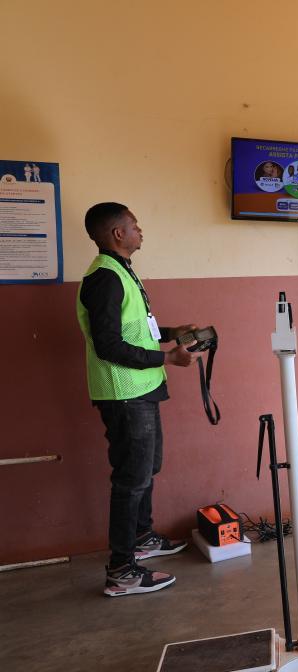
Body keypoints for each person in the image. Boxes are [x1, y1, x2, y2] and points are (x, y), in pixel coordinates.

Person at [76, 202, 201, 597]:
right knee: (131, 480)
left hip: (141, 389)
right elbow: (109, 345)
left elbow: (134, 329)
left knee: (147, 469)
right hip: (124, 394)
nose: (139, 230)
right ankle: (121, 571)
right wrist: (168, 358)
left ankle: (142, 537)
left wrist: (171, 332)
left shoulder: (121, 270)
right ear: (118, 234)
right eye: (134, 225)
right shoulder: (105, 278)